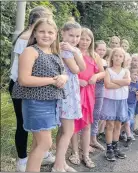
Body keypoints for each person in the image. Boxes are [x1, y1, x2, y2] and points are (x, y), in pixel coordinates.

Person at [12, 18, 68, 172]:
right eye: (42, 31)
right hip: (35, 103)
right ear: (35, 33)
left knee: (38, 144)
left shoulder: (55, 52)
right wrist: (52, 80)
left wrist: (64, 77)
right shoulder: (30, 51)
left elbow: (62, 73)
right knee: (45, 144)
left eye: (50, 32)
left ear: (56, 34)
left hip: (51, 103)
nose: (46, 35)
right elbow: (24, 79)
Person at [8, 6, 55, 172]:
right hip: (22, 85)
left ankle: (39, 154)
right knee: (23, 123)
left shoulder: (33, 39)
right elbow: (25, 73)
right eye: (45, 20)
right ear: (35, 23)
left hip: (33, 86)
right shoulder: (26, 39)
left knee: (34, 126)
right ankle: (22, 159)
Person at [53, 18, 86, 172]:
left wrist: (75, 51)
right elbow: (77, 69)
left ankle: (61, 162)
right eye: (71, 35)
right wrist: (75, 51)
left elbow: (83, 66)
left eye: (77, 36)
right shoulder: (65, 49)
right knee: (67, 131)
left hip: (70, 92)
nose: (75, 39)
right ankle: (58, 166)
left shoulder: (71, 50)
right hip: (67, 93)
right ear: (63, 33)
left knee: (63, 131)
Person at [69, 28, 105, 168]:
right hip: (74, 91)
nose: (84, 42)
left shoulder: (95, 55)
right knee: (74, 123)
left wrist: (96, 76)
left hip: (89, 92)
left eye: (87, 39)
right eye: (82, 39)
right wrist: (78, 81)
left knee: (87, 124)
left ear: (91, 41)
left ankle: (86, 154)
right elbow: (66, 72)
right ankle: (75, 153)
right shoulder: (72, 52)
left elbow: (103, 73)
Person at [99, 47, 130, 161]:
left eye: (120, 56)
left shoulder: (126, 71)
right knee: (110, 125)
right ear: (112, 57)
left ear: (123, 59)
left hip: (121, 100)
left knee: (118, 125)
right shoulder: (108, 70)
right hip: (110, 99)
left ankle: (115, 146)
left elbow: (127, 81)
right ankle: (109, 148)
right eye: (116, 55)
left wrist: (114, 81)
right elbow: (107, 85)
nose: (118, 58)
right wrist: (121, 83)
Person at [90, 40, 108, 150]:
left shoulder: (106, 62)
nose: (101, 51)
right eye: (99, 49)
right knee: (87, 114)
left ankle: (93, 138)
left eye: (103, 50)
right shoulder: (92, 59)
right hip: (91, 88)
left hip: (100, 89)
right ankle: (84, 140)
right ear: (95, 49)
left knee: (96, 115)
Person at [124, 68, 138, 147]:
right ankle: (128, 136)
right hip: (124, 102)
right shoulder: (127, 83)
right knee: (126, 121)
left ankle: (126, 134)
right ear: (130, 74)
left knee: (129, 121)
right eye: (134, 74)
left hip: (131, 105)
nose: (136, 77)